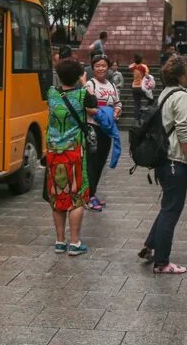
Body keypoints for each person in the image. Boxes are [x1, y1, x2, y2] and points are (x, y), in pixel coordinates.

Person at [140, 55, 187, 274]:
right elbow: (184, 131)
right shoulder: (182, 97)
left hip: (164, 159)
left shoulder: (166, 93)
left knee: (168, 206)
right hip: (176, 159)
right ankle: (162, 262)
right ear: (181, 75)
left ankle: (150, 246)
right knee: (172, 210)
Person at [45, 58, 97, 256]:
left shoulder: (51, 92)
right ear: (77, 76)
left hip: (53, 152)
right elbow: (94, 104)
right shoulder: (82, 93)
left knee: (58, 196)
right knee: (77, 196)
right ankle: (74, 242)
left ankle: (60, 241)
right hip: (74, 151)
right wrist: (84, 82)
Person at [85, 54, 121, 211]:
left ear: (108, 68)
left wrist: (116, 112)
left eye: (103, 66)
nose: (100, 68)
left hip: (107, 129)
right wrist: (101, 114)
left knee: (100, 162)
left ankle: (92, 193)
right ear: (93, 68)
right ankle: (88, 197)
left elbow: (117, 103)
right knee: (91, 163)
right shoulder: (90, 84)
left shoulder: (111, 86)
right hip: (93, 128)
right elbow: (85, 106)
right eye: (97, 66)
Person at [129, 54, 149, 125]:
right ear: (142, 59)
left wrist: (135, 63)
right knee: (150, 99)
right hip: (142, 86)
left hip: (134, 87)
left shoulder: (133, 66)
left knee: (136, 103)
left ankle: (136, 119)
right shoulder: (144, 66)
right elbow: (147, 76)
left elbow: (130, 66)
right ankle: (144, 114)